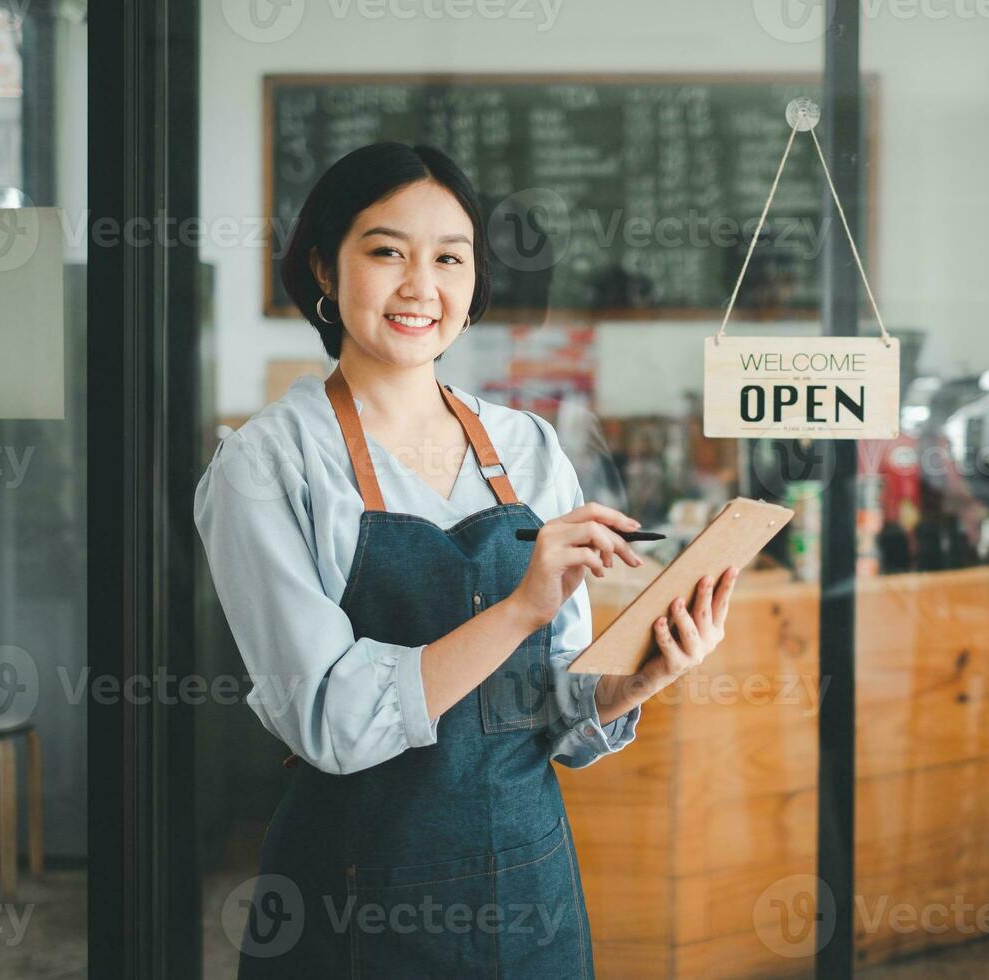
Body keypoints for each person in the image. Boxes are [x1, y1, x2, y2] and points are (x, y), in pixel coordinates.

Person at [194, 141, 740, 977]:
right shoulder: (267, 465)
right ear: (324, 270)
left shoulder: (527, 445)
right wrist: (519, 606)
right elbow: (332, 722)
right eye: (387, 252)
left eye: (451, 257)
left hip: (530, 887)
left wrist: (640, 676)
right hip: (351, 897)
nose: (423, 286)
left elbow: (554, 703)